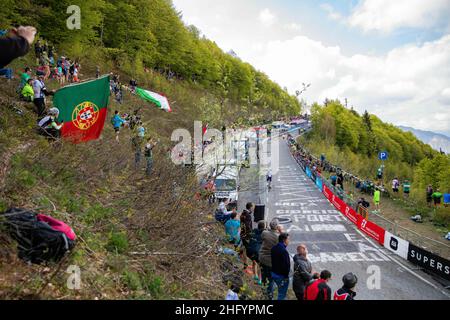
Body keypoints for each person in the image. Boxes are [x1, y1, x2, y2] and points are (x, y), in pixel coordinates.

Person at [259, 219, 281, 300]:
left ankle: (264, 290)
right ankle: (269, 295)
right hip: (272, 262)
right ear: (277, 227)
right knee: (271, 279)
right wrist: (280, 231)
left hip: (262, 258)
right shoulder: (278, 237)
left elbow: (262, 238)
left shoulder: (264, 233)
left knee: (264, 275)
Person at [270, 233, 291, 300]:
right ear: (284, 240)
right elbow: (286, 266)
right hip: (281, 276)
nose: (289, 241)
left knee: (274, 290)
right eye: (288, 239)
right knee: (281, 294)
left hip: (274, 272)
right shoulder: (284, 251)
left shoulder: (273, 248)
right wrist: (286, 276)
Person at [245, 221, 265, 286]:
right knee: (261, 265)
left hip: (250, 250)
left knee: (254, 261)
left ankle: (255, 275)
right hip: (257, 251)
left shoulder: (253, 231)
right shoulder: (264, 234)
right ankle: (259, 280)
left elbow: (248, 237)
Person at [241, 203, 254, 274]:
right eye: (253, 207)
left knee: (244, 250)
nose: (254, 208)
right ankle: (245, 267)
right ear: (250, 207)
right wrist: (250, 235)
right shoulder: (248, 215)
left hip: (242, 234)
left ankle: (245, 265)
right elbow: (247, 226)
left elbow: (242, 225)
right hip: (246, 236)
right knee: (247, 251)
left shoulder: (243, 213)